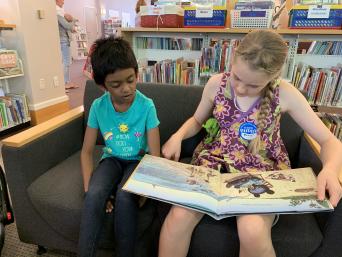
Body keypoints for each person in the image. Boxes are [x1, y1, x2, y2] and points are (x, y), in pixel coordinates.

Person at [160, 30, 342, 257]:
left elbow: (329, 140)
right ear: (233, 58)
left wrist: (330, 169)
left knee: (252, 230)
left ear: (273, 76)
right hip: (213, 164)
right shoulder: (217, 84)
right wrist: (178, 136)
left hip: (261, 171)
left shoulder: (285, 94)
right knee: (177, 218)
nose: (241, 88)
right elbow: (197, 120)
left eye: (253, 86)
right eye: (236, 77)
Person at [78, 36, 160, 257]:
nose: (127, 89)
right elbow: (86, 152)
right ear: (102, 85)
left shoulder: (147, 106)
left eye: (131, 80)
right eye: (116, 84)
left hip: (138, 162)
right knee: (94, 195)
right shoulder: (98, 106)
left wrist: (147, 189)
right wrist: (90, 189)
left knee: (125, 197)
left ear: (136, 73)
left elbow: (155, 155)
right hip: (111, 160)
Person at [55, 0, 79, 92]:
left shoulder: (60, 12)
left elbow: (66, 27)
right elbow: (67, 26)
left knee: (66, 62)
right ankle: (65, 83)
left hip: (64, 39)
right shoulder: (58, 12)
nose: (63, 2)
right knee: (66, 62)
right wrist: (73, 20)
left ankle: (67, 82)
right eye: (62, 0)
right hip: (64, 40)